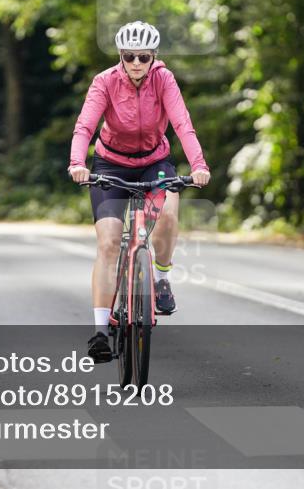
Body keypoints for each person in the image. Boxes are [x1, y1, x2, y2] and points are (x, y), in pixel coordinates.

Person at [68, 21, 210, 363]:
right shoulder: (104, 82)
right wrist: (77, 162)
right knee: (108, 243)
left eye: (143, 57)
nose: (135, 63)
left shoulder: (164, 79)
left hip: (154, 161)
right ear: (120, 56)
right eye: (129, 56)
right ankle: (101, 331)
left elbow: (182, 124)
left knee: (169, 215)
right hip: (110, 164)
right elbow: (86, 125)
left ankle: (161, 279)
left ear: (153, 58)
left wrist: (200, 165)